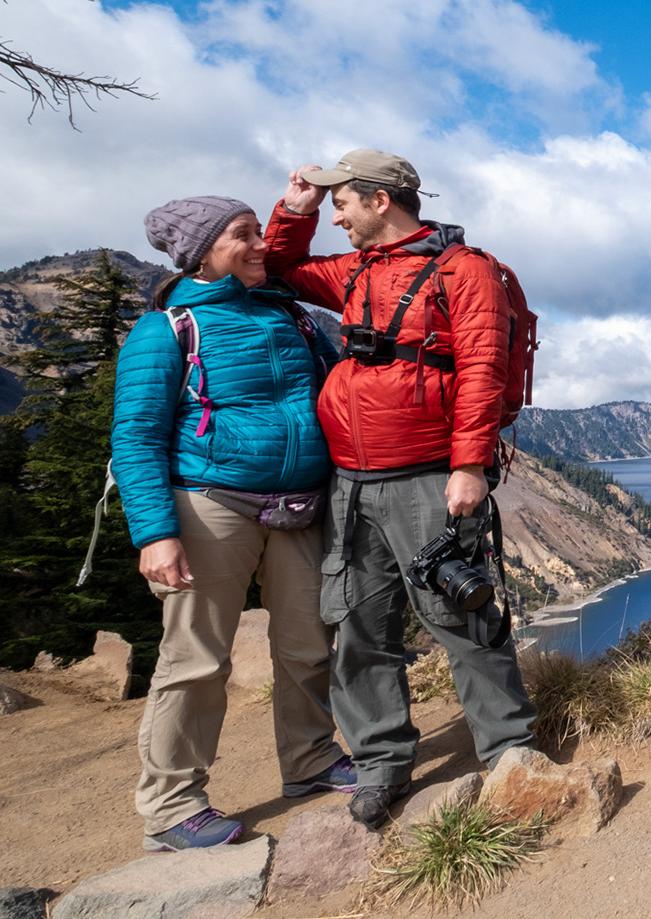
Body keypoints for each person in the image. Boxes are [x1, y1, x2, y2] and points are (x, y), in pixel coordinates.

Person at [264, 149, 538, 826]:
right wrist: (290, 211)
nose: (335, 215)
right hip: (351, 479)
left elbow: (480, 366)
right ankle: (382, 763)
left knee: (462, 618)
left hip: (427, 477)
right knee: (360, 625)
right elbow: (277, 271)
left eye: (341, 202)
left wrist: (470, 465)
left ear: (380, 200)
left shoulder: (463, 271)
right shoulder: (356, 269)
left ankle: (510, 754)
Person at [114, 197, 352, 852]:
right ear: (201, 253)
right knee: (195, 659)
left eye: (257, 233)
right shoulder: (167, 328)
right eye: (242, 236)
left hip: (299, 501)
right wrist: (155, 533)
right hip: (209, 504)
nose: (259, 246)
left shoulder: (291, 317)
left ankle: (309, 762)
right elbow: (135, 437)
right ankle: (170, 807)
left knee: (307, 642)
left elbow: (336, 394)